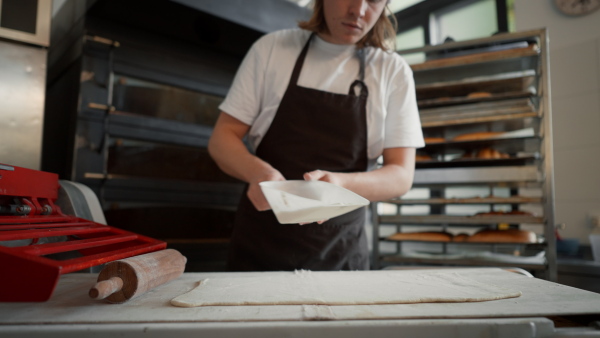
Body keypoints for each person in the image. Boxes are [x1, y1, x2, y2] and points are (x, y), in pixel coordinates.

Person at [208, 0, 424, 271]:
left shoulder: (392, 71)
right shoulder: (272, 49)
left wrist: (340, 184)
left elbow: (401, 175)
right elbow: (223, 137)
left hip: (342, 254)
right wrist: (257, 173)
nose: (358, 9)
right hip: (260, 246)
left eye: (373, 0)